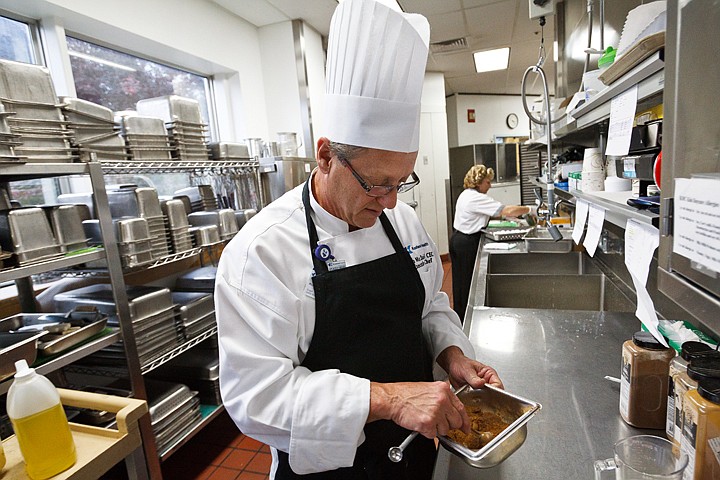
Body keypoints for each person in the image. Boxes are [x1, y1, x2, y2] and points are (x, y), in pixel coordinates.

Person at [215, 1, 503, 478]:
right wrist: (388, 398)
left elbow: (430, 305)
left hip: (413, 451)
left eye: (401, 182)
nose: (391, 202)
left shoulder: (403, 222)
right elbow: (256, 398)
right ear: (325, 156)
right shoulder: (260, 254)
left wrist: (452, 355)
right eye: (377, 183)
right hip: (327, 467)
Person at [449, 164, 536, 321]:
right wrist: (530, 209)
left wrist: (506, 217)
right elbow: (507, 209)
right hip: (466, 243)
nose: (490, 185)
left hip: (458, 239)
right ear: (479, 181)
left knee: (460, 284)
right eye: (488, 182)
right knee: (466, 284)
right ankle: (464, 321)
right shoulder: (477, 198)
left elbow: (491, 213)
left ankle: (460, 318)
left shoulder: (466, 194)